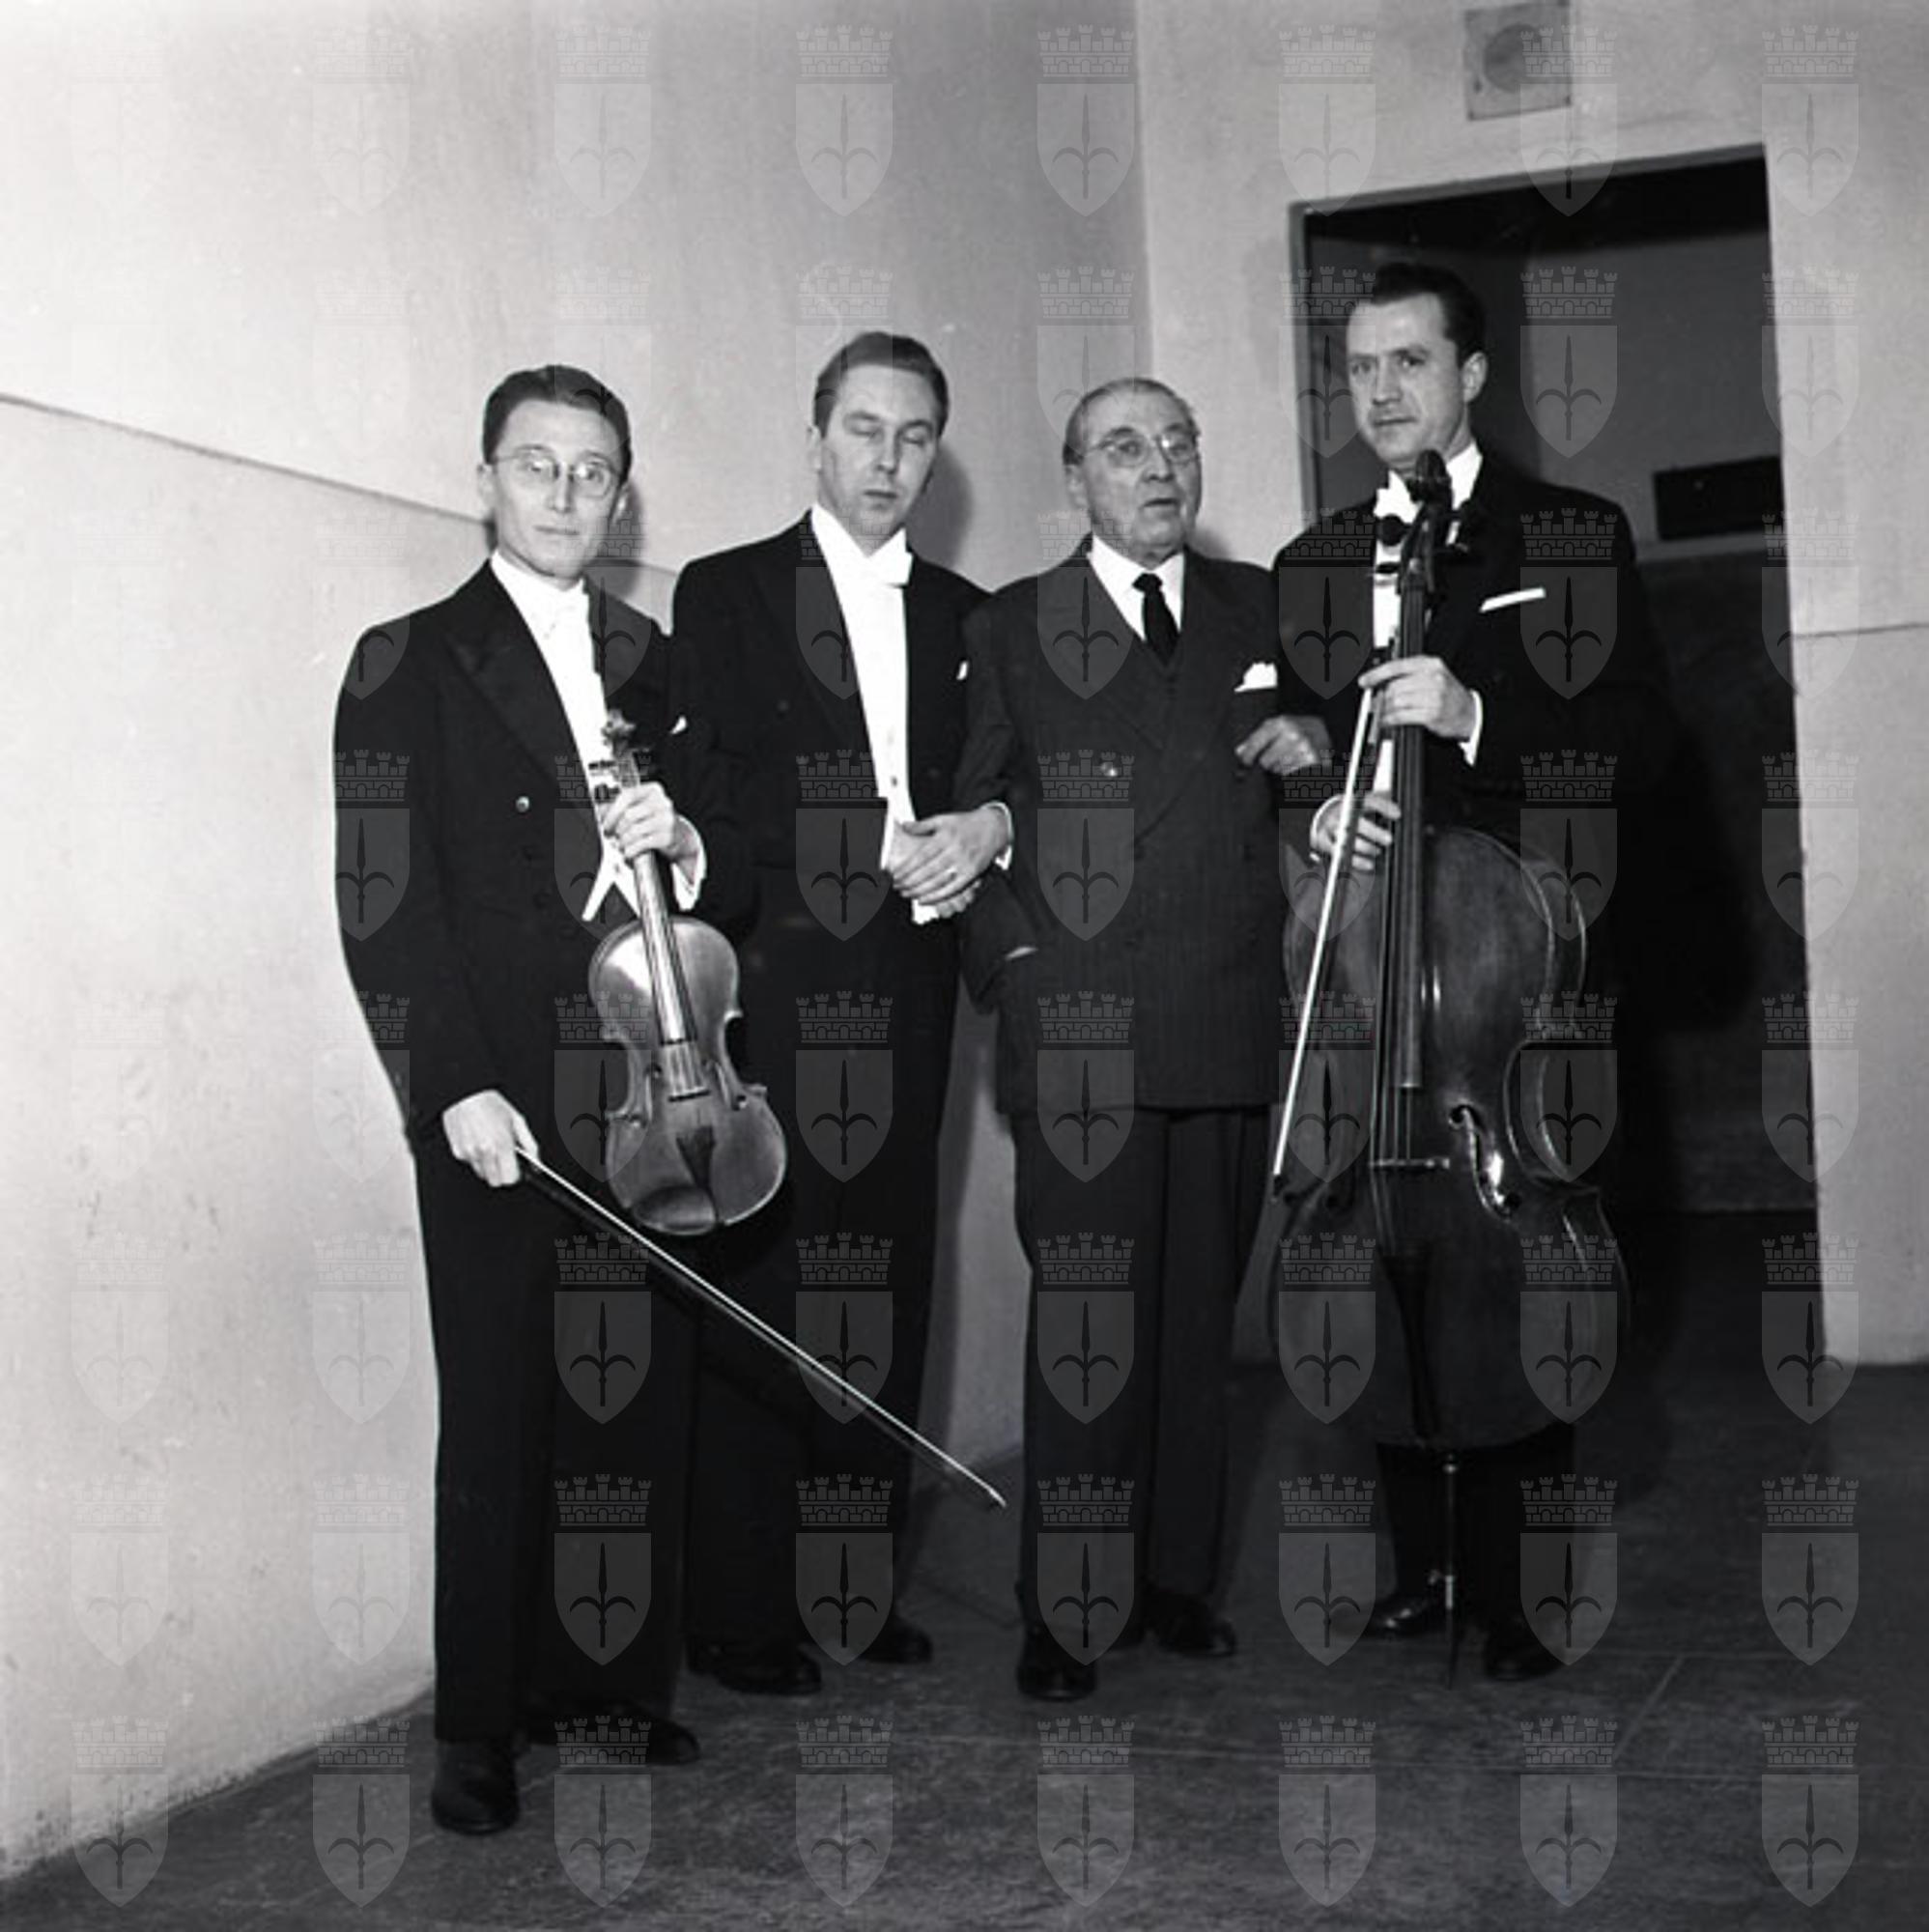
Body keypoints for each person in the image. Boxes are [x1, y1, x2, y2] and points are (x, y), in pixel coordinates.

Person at [334, 365, 740, 1832]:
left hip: (644, 1078)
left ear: (622, 497)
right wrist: (449, 1086)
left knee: (630, 1398)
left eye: (594, 472)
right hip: (498, 1087)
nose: (567, 494)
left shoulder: (656, 658)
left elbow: (735, 877)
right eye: (538, 465)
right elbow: (381, 902)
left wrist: (687, 843)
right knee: (502, 1408)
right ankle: (482, 1727)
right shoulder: (406, 659)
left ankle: (609, 1687)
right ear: (485, 480)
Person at [1272, 261, 1671, 1678]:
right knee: (1388, 1242)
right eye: (1359, 366)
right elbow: (1291, 741)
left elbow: (1637, 740)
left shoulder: (1571, 533)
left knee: (1514, 1264)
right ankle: (1422, 1568)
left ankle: (1518, 1594)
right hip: (1378, 968)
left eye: (1409, 362)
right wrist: (1321, 809)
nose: (1379, 390)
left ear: (1472, 376)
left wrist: (1475, 715)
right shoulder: (1314, 562)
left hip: (1517, 973)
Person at [949, 377, 1316, 1699]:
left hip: (1223, 1014)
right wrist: (1018, 972)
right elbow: (966, 822)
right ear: (1075, 482)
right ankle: (1066, 1609)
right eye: (1124, 448)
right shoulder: (1010, 624)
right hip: (1083, 1029)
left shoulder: (1260, 610)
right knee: (1091, 1330)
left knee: (1197, 1326)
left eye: (1176, 443)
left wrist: (1313, 753)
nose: (1159, 467)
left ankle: (1174, 1582)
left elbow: (1312, 792)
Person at [671, 333, 986, 1693]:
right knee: (769, 1283)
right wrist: (875, 836)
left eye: (914, 437)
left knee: (884, 1281)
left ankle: (853, 1592)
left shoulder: (967, 613)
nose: (886, 460)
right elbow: (720, 796)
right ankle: (742, 1610)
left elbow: (1002, 775)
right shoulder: (726, 591)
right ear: (816, 441)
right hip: (781, 985)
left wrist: (982, 830)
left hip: (912, 990)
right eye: (864, 430)